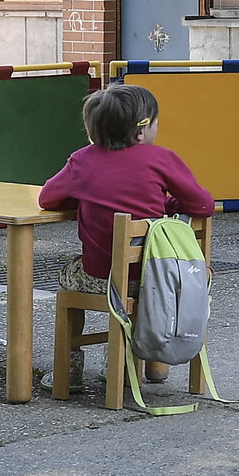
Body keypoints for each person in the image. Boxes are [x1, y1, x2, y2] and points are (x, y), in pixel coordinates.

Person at [37, 84, 213, 382]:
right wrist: (166, 202)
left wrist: (84, 198)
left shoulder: (82, 161)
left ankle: (69, 369)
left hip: (100, 279)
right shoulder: (162, 159)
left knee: (68, 279)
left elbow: (47, 199)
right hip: (158, 280)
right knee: (133, 271)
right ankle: (124, 362)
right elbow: (203, 205)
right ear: (141, 132)